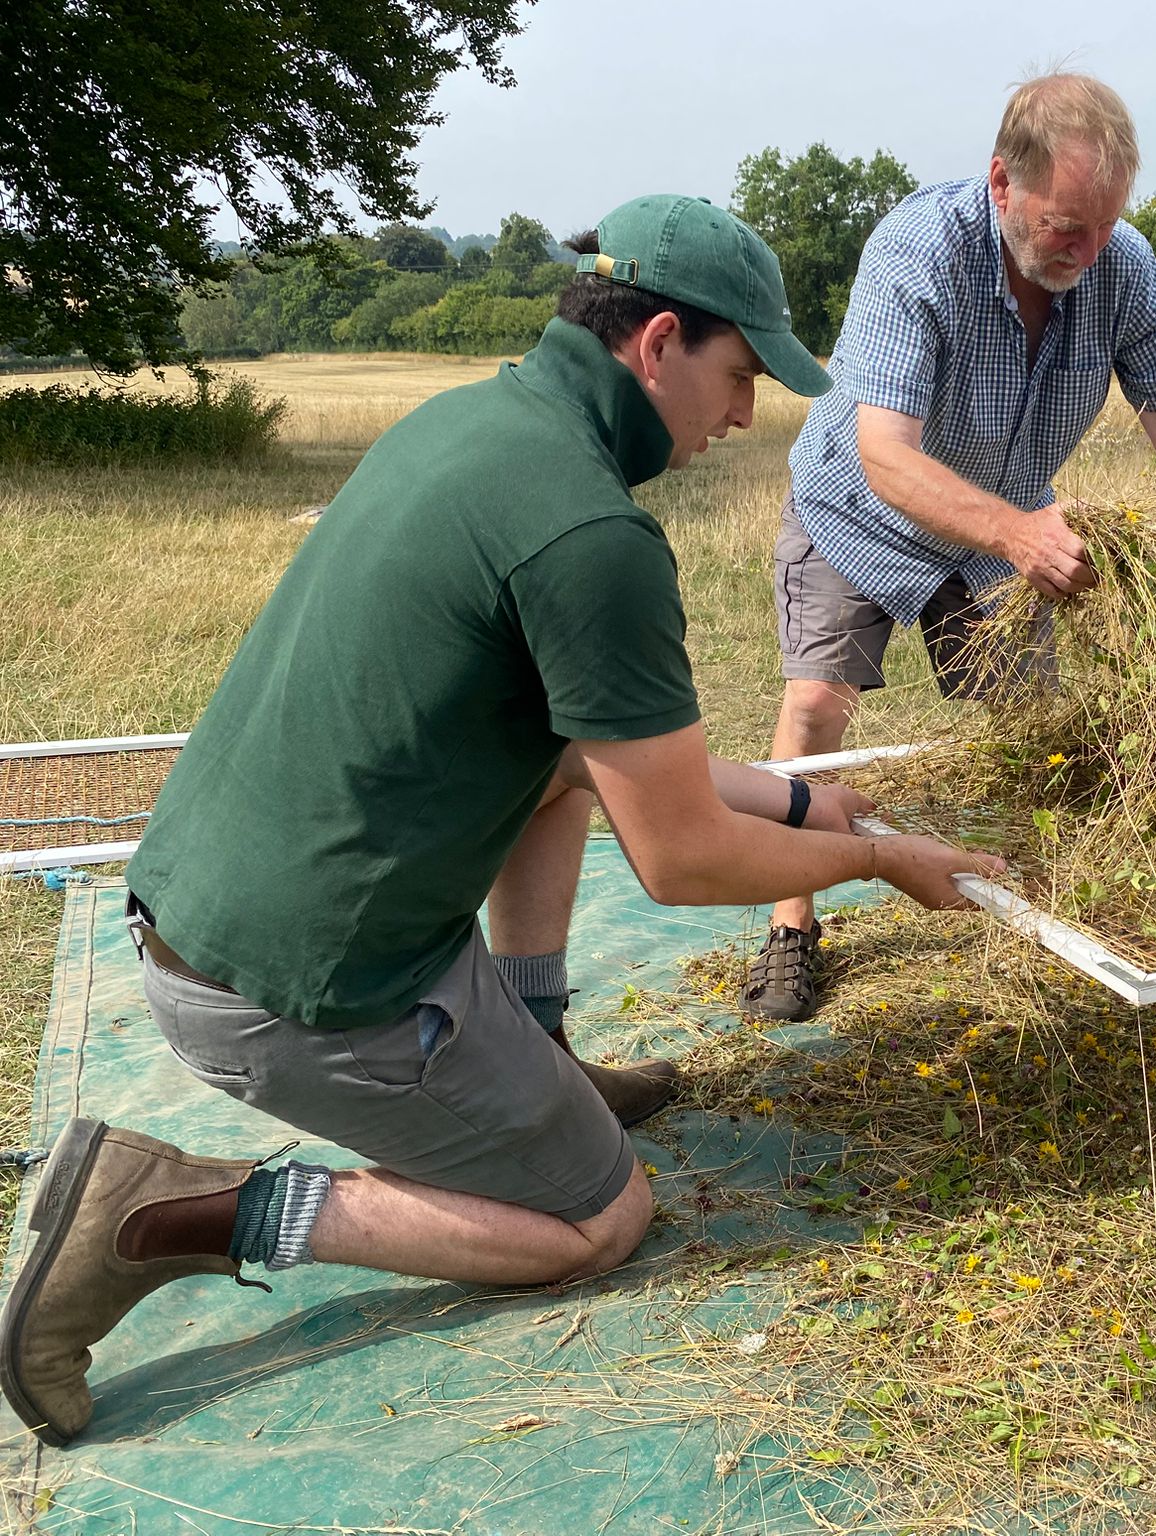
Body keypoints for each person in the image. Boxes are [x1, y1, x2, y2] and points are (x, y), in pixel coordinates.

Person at [0, 196, 1002, 1448]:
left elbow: (605, 756)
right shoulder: (590, 535)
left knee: (548, 767)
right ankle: (168, 1209)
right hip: (301, 988)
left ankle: (535, 1045)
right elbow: (682, 854)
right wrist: (873, 857)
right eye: (739, 375)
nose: (744, 418)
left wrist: (806, 797)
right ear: (656, 346)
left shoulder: (476, 422)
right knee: (599, 1221)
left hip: (210, 907)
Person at [749, 71, 1156, 1021]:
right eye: (1064, 227)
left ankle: (1028, 909)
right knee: (813, 713)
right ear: (1003, 183)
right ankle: (790, 930)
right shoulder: (919, 250)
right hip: (859, 507)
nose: (1085, 251)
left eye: (1105, 227)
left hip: (1003, 528)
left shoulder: (1121, 270)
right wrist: (1017, 532)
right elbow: (885, 455)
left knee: (1032, 730)